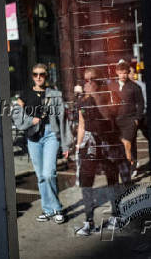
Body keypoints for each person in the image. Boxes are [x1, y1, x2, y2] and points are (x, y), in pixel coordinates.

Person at [13, 63, 72, 224]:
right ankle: (47, 210)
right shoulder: (25, 94)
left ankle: (57, 208)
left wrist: (66, 145)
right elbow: (15, 113)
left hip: (50, 134)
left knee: (48, 173)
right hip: (33, 138)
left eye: (42, 74)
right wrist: (30, 120)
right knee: (40, 176)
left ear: (47, 76)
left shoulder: (55, 94)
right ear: (32, 76)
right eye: (35, 74)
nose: (38, 77)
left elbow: (63, 120)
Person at [74, 68, 122, 236]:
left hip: (108, 141)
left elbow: (108, 115)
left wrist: (95, 96)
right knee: (86, 180)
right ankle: (89, 221)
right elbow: (81, 123)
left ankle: (116, 215)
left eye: (93, 79)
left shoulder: (109, 95)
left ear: (99, 80)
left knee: (112, 177)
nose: (89, 82)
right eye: (86, 80)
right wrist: (78, 146)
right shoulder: (81, 100)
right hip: (90, 143)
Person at [108, 60, 144, 175]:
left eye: (125, 73)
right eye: (120, 72)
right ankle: (132, 164)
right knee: (128, 144)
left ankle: (130, 168)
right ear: (117, 72)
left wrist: (137, 119)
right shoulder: (112, 86)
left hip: (130, 120)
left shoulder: (134, 87)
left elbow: (141, 103)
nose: (123, 75)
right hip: (117, 120)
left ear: (128, 73)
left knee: (127, 143)